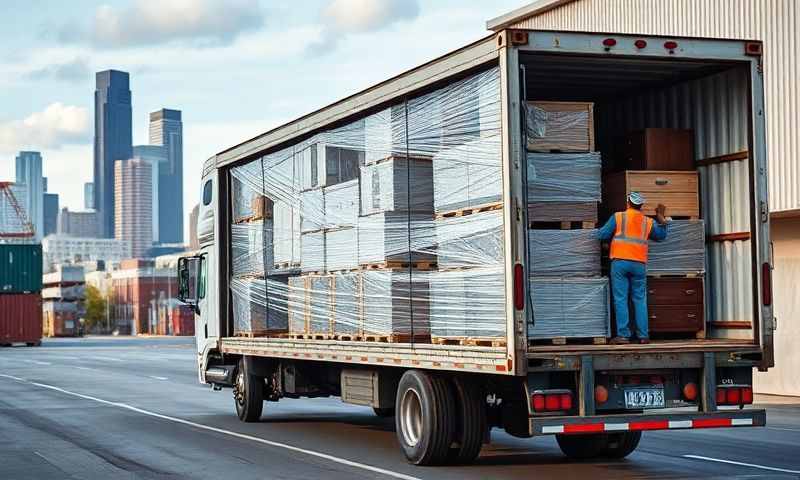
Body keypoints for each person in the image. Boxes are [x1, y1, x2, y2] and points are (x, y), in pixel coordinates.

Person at [597, 192, 668, 344]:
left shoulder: (619, 217)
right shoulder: (647, 221)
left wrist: (607, 238)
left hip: (620, 262)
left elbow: (602, 234)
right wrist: (662, 219)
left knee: (621, 299)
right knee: (640, 299)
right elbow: (661, 236)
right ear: (641, 205)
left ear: (628, 202)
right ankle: (643, 336)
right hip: (639, 264)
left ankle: (623, 335)